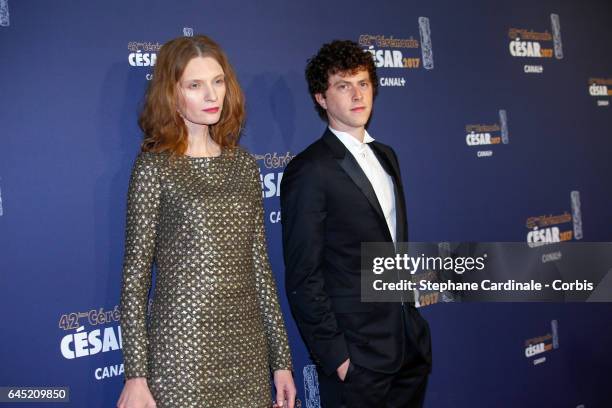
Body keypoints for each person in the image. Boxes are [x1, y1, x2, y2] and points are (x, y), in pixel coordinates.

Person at [116, 35, 295, 408]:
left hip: (247, 350)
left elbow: (260, 267)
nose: (212, 95)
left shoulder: (243, 164)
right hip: (182, 350)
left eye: (218, 81)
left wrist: (281, 362)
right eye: (195, 85)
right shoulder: (154, 167)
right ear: (171, 93)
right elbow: (135, 277)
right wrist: (136, 374)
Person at [280, 40, 432, 407]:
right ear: (321, 97)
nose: (357, 94)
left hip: (407, 346)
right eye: (343, 86)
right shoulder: (310, 170)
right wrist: (339, 359)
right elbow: (304, 276)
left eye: (363, 83)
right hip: (358, 359)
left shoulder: (386, 156)